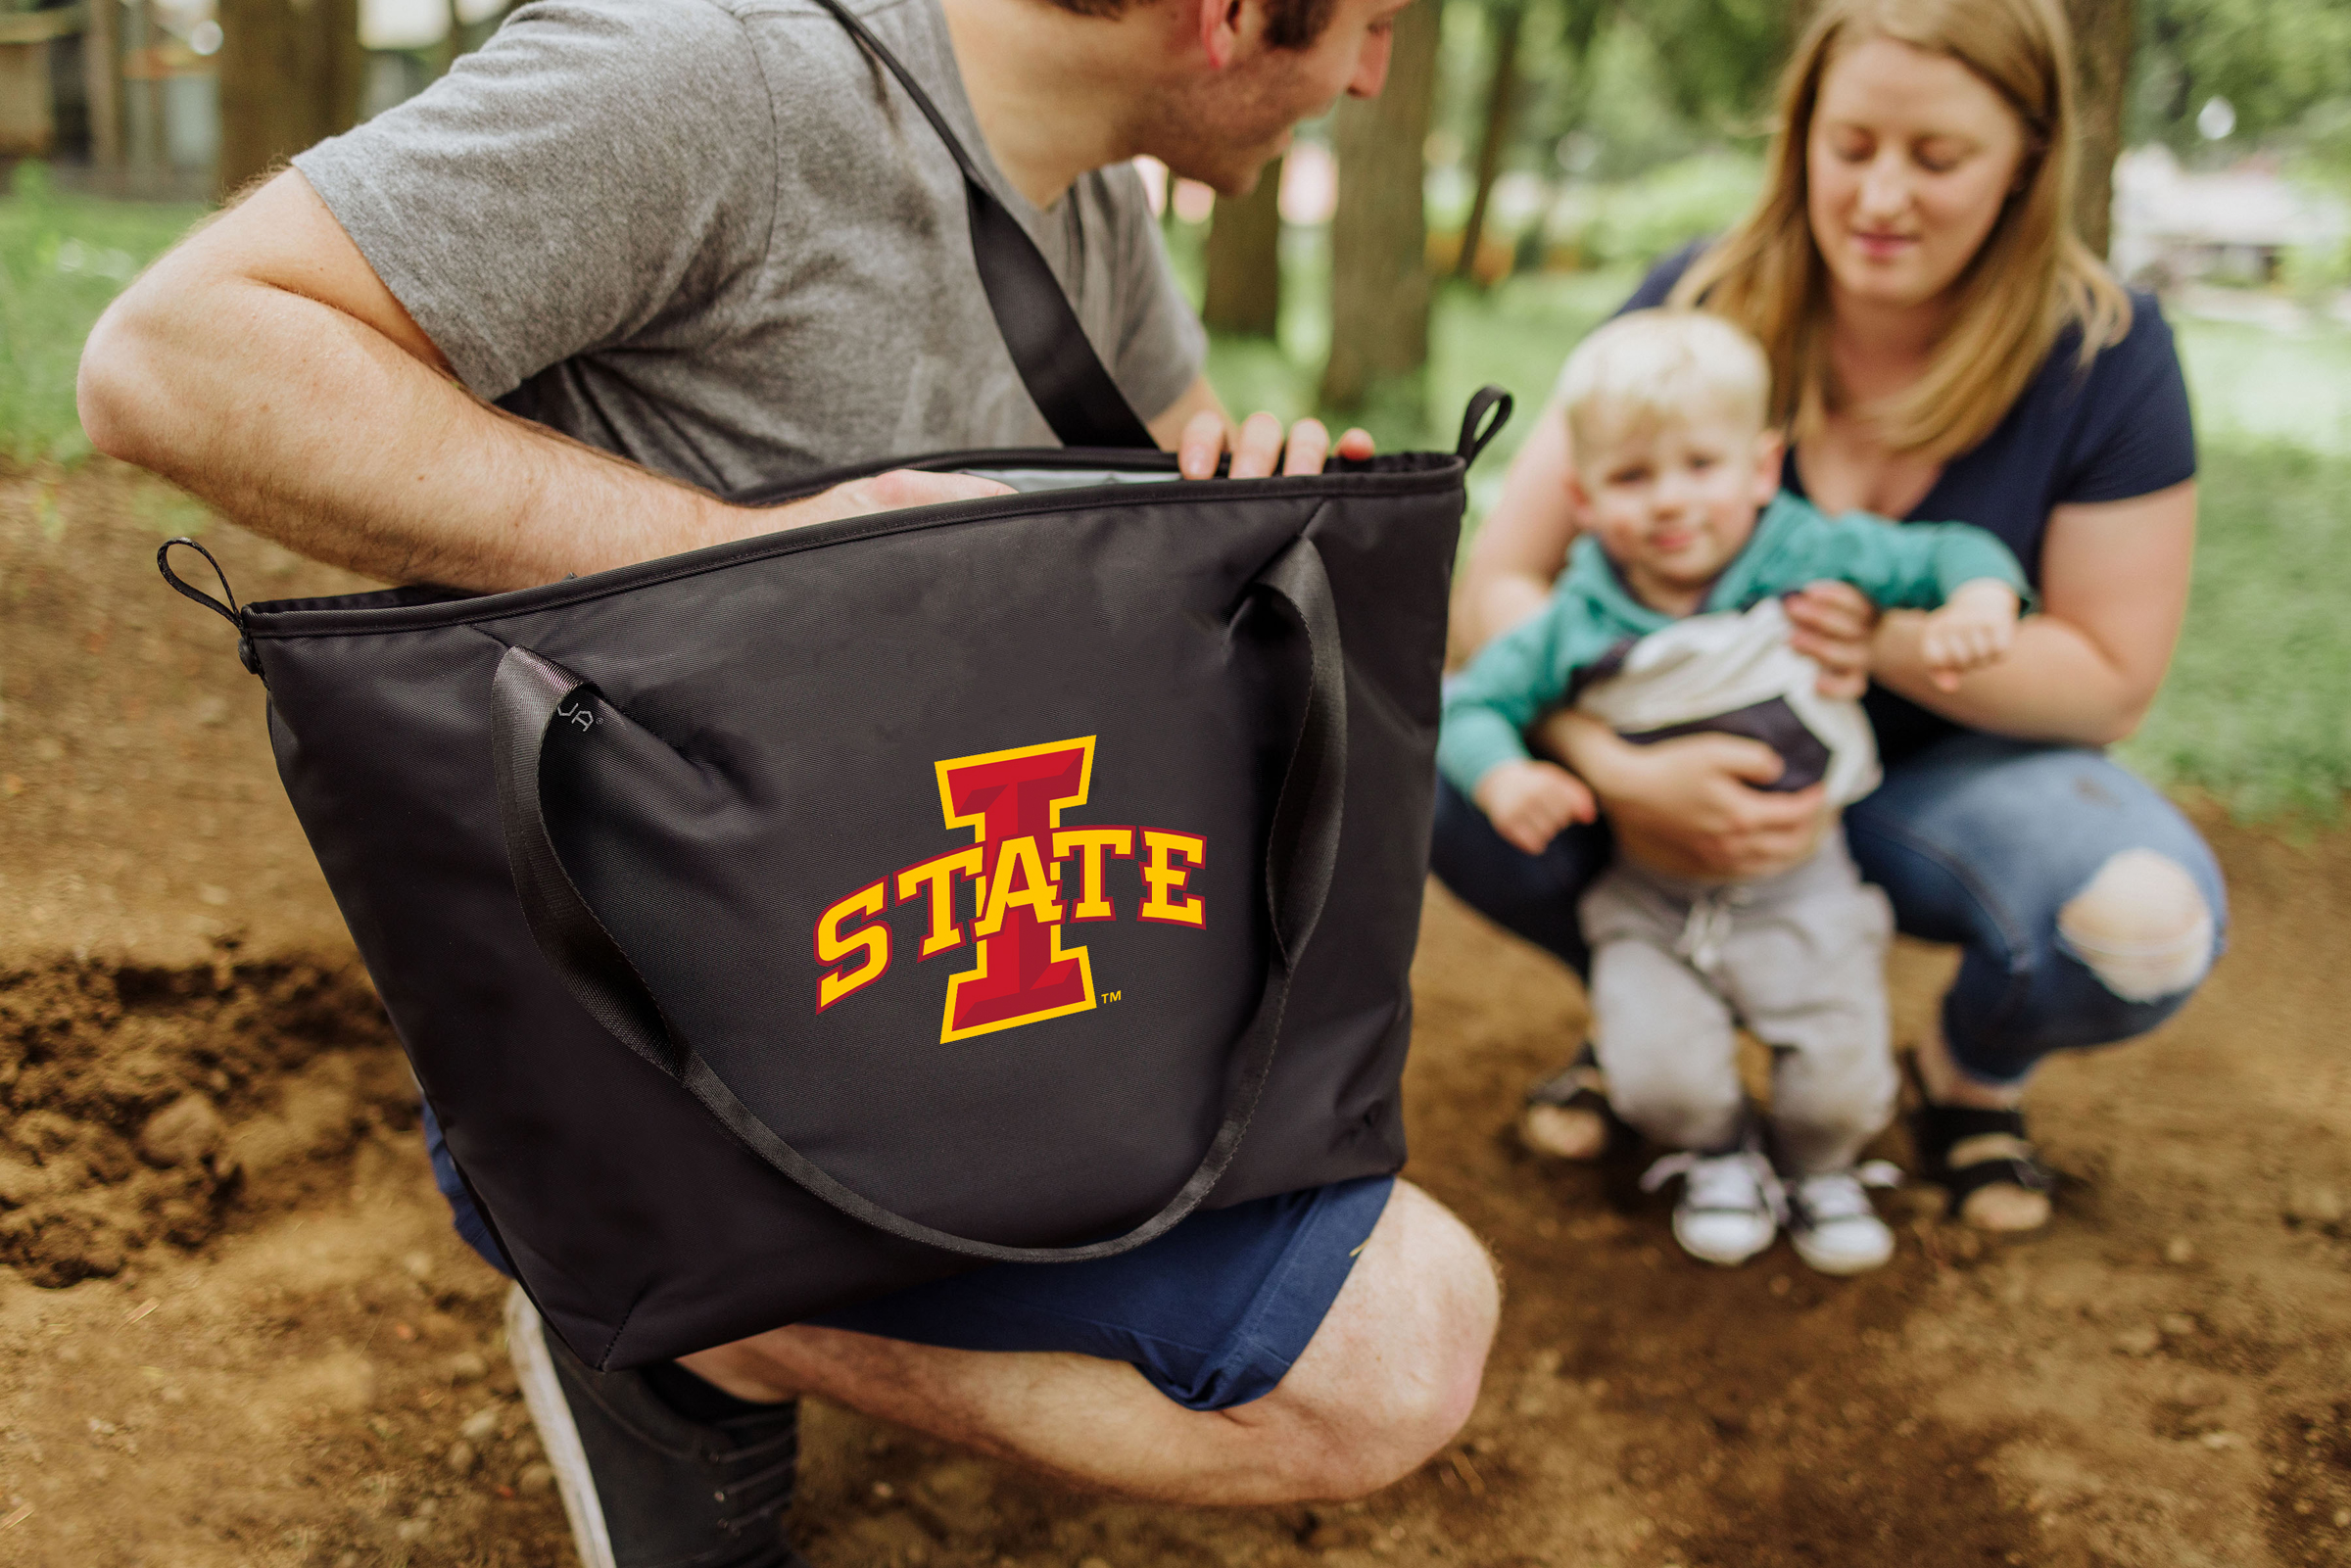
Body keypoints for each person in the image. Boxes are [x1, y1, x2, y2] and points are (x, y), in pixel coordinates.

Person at [74, 0, 1500, 1560]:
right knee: (1387, 1356)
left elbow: (1125, 541)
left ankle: (748, 1307)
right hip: (667, 1028)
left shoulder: (1094, 181)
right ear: (1226, 16)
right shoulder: (712, 74)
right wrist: (730, 561)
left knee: (1404, 1330)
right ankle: (684, 1314)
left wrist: (1235, 503)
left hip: (975, 965)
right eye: (1367, 25)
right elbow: (170, 358)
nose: (1375, 76)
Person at [1437, 0, 2225, 1243]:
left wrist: (1883, 643)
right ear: (1800, 131)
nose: (1881, 196)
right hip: (1670, 776)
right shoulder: (1692, 301)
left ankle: (1964, 1078)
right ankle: (1658, 1015)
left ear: (2030, 153)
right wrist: (1617, 760)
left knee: (2143, 920)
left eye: (1938, 158)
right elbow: (1501, 587)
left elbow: (2109, 680)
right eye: (1850, 145)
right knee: (1440, 757)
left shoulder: (2105, 351)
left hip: (1941, 784)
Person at [1440, 308, 2026, 1274]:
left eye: (1699, 466)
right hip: (1651, 897)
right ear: (1582, 499)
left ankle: (1822, 1164)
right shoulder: (1581, 612)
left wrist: (1979, 601)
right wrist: (1504, 774)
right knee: (1659, 1074)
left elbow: (1951, 549)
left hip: (1806, 886)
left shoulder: (1805, 553)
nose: (1670, 501)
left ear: (1761, 468)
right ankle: (1711, 1153)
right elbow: (1475, 704)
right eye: (1632, 477)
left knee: (1840, 1078)